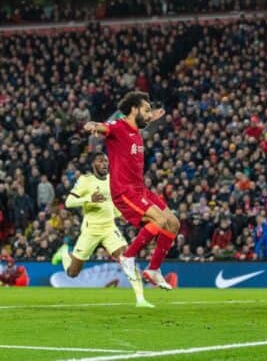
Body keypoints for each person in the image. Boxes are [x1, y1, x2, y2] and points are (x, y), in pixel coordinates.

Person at [83, 91, 180, 290]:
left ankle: (153, 269)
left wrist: (151, 117)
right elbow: (104, 128)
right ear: (134, 109)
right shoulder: (118, 127)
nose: (148, 114)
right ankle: (127, 257)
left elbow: (141, 120)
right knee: (159, 220)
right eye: (145, 110)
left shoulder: (135, 130)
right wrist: (93, 126)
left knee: (173, 223)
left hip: (140, 189)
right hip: (125, 191)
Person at [53, 152, 153, 308]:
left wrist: (121, 215)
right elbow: (69, 202)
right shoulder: (85, 180)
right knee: (72, 273)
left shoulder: (113, 181)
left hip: (109, 228)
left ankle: (141, 299)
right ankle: (65, 252)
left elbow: (112, 202)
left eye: (106, 161)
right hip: (90, 230)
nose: (105, 164)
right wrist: (88, 199)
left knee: (127, 259)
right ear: (93, 164)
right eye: (101, 161)